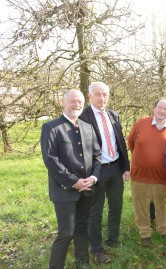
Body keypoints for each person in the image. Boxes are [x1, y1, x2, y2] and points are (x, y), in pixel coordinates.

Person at [40, 89, 101, 268]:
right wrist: (73, 181)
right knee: (66, 232)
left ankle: (83, 264)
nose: (77, 104)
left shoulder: (88, 127)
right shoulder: (51, 127)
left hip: (87, 188)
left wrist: (93, 178)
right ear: (62, 102)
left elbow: (97, 156)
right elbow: (50, 160)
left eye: (80, 101)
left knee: (82, 229)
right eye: (73, 101)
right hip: (64, 190)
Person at [79, 82, 130, 263]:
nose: (102, 98)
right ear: (90, 95)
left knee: (116, 206)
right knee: (96, 210)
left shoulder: (113, 114)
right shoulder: (83, 117)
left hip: (116, 168)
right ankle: (96, 248)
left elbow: (120, 141)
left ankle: (113, 240)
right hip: (96, 171)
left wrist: (126, 167)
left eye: (105, 95)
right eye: (98, 94)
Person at [128, 98, 166, 247]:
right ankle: (145, 234)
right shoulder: (141, 123)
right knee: (141, 206)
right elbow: (131, 142)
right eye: (160, 108)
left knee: (160, 205)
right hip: (140, 175)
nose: (162, 111)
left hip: (161, 175)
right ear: (154, 108)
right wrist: (142, 158)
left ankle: (163, 231)